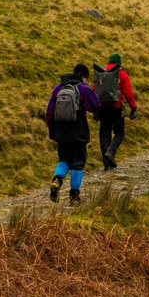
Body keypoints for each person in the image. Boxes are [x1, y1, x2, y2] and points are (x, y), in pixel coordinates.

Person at [43, 61, 99, 202]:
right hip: (78, 132)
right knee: (78, 164)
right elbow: (95, 106)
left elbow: (49, 112)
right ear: (83, 76)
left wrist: (53, 131)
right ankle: (74, 195)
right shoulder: (83, 89)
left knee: (63, 160)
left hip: (61, 132)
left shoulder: (58, 88)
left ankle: (57, 180)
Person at [94, 53, 138, 168]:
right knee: (119, 133)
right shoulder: (121, 74)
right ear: (119, 63)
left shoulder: (101, 73)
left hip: (102, 107)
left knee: (104, 132)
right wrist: (133, 107)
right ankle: (110, 153)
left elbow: (94, 91)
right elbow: (128, 93)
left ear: (109, 62)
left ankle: (106, 162)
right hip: (116, 107)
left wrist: (95, 109)